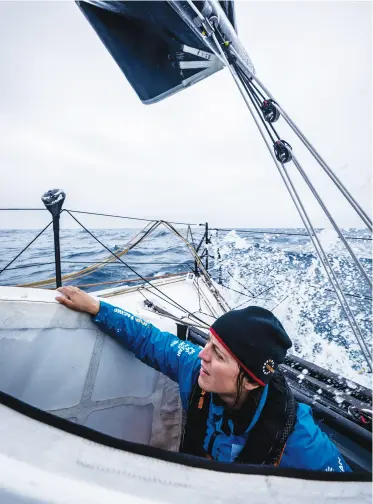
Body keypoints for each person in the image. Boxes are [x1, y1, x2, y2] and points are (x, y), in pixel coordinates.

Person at [56, 285, 351, 472]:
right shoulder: (197, 372)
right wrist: (98, 308)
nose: (202, 356)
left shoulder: (303, 445)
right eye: (207, 343)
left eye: (218, 355)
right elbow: (149, 339)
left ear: (249, 380)